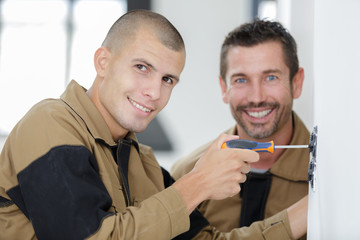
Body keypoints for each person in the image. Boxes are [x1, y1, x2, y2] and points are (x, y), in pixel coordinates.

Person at [0, 10, 305, 240]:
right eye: (142, 67)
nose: (155, 93)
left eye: (167, 79)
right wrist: (197, 184)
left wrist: (307, 212)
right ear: (103, 62)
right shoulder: (50, 123)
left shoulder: (143, 163)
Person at [171, 19, 309, 239]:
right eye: (241, 80)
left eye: (271, 77)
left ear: (297, 83)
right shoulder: (185, 175)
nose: (256, 97)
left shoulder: (330, 180)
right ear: (224, 88)